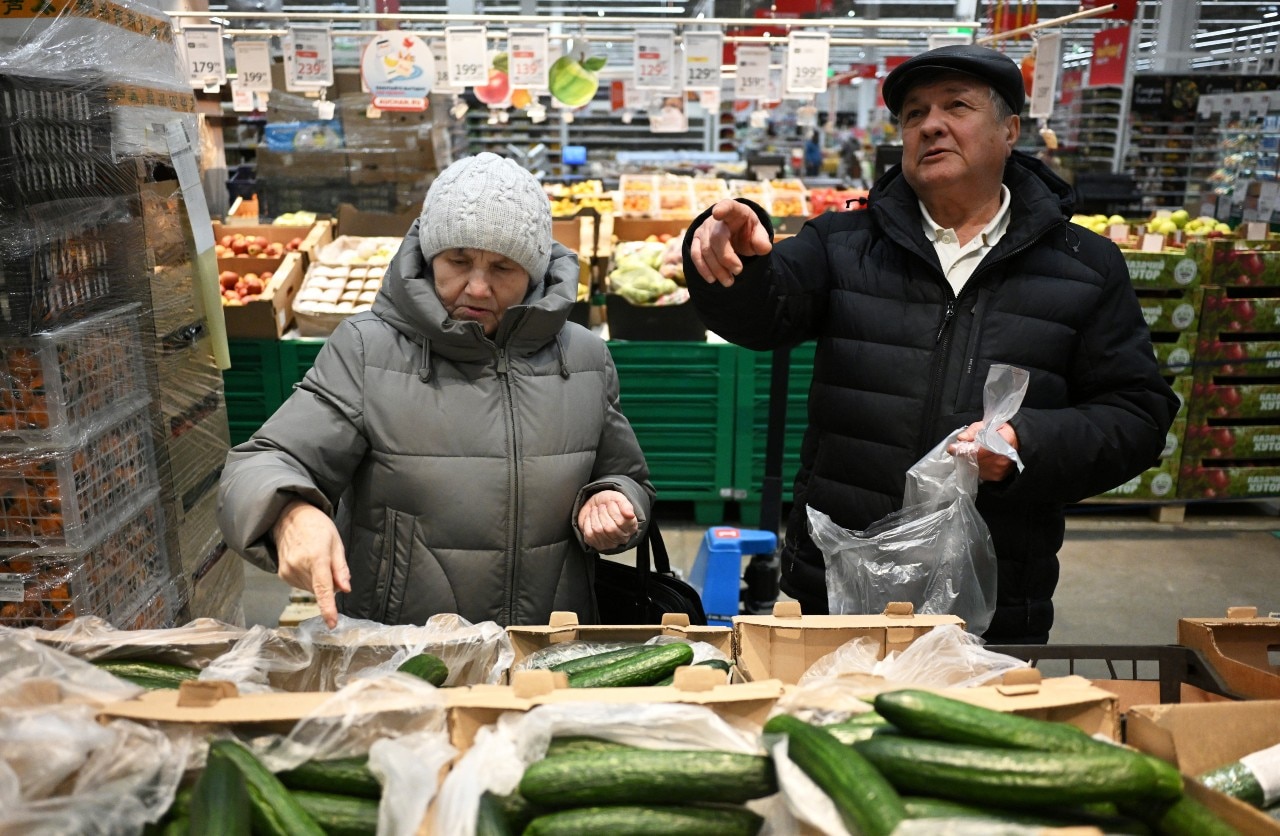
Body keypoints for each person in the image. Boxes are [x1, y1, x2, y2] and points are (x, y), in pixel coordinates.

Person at [683, 45, 1178, 644]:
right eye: (914, 113)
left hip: (993, 597)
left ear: (1010, 130)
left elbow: (1138, 415)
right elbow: (764, 312)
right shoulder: (844, 242)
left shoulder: (1085, 265)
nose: (931, 124)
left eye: (956, 106)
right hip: (839, 585)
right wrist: (729, 254)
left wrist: (1028, 446)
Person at [218, 153, 655, 629]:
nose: (478, 287)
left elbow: (628, 478)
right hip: (406, 655)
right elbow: (260, 463)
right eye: (459, 261)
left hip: (547, 648)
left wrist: (614, 500)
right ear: (429, 258)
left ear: (533, 273)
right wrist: (289, 514)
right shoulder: (369, 351)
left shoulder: (586, 359)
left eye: (504, 267)